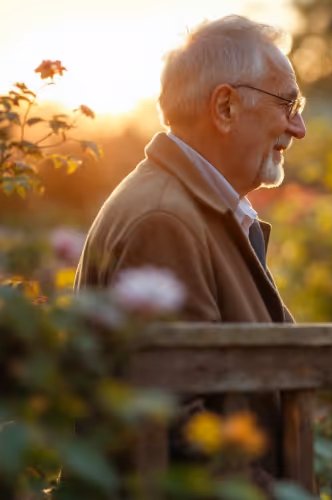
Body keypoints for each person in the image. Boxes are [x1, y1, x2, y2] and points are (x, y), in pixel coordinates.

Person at [75, 15, 306, 480]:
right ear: (225, 107)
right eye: (288, 103)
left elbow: (289, 368)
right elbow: (179, 428)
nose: (298, 127)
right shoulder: (165, 219)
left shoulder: (195, 209)